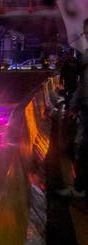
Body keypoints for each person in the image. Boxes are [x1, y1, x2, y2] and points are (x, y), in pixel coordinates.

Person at [57, 17, 88, 199]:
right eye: (85, 32)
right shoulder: (84, 57)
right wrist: (74, 105)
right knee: (82, 148)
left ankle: (79, 188)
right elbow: (83, 86)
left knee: (83, 148)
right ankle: (80, 187)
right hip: (84, 109)